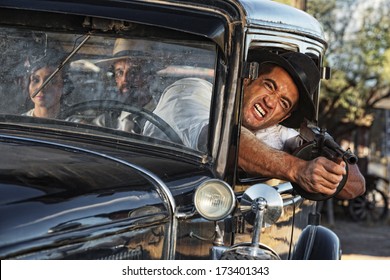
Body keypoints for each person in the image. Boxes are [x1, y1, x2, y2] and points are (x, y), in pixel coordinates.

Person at [144, 50, 365, 200]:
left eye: (283, 102)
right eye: (269, 86)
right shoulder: (192, 92)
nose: (270, 102)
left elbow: (356, 186)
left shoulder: (273, 131)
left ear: (283, 116)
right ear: (248, 79)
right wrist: (297, 169)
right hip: (149, 194)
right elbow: (223, 140)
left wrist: (331, 157)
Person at [91, 38, 156, 132]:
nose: (125, 79)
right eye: (120, 73)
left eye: (133, 72)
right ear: (115, 79)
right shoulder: (108, 121)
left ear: (149, 77)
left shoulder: (163, 116)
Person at [23, 48, 71, 118]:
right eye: (35, 80)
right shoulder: (18, 123)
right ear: (28, 85)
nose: (41, 88)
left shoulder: (74, 126)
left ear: (63, 86)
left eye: (51, 81)